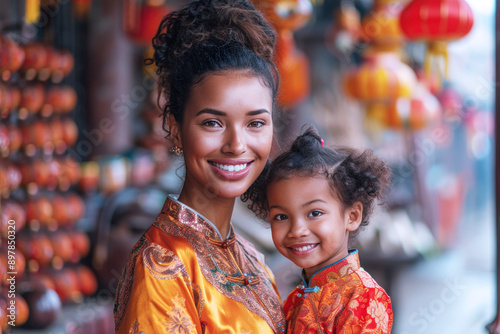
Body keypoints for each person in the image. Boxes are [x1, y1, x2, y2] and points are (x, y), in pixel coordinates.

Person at [113, 0, 286, 333]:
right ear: (176, 128)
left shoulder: (251, 256)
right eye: (212, 123)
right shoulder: (162, 266)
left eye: (255, 124)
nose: (237, 145)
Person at [243, 127, 394, 333]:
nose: (297, 230)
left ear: (352, 216)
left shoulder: (363, 297)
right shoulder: (294, 299)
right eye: (281, 217)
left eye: (314, 213)